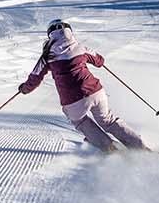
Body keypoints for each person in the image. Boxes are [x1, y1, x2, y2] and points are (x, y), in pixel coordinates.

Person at [17, 19, 149, 152]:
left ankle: (109, 148)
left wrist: (24, 89)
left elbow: (34, 78)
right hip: (96, 92)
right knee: (108, 121)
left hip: (73, 101)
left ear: (50, 35)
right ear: (69, 32)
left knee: (81, 121)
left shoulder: (47, 56)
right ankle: (139, 146)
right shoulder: (80, 48)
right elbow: (99, 60)